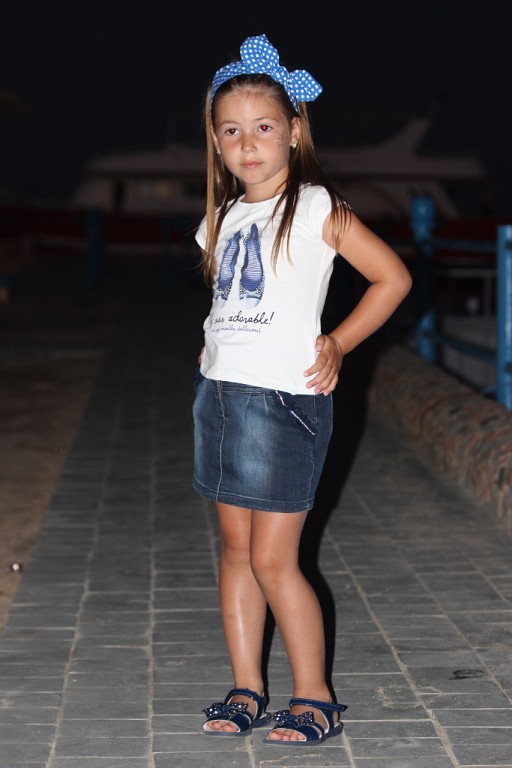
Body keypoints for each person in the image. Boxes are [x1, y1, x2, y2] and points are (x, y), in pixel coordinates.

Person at [192, 33, 412, 746]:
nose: (247, 143)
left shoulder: (314, 204)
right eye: (231, 131)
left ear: (293, 131)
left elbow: (392, 278)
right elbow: (230, 300)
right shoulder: (221, 217)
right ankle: (246, 687)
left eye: (263, 127)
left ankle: (315, 694)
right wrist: (213, 351)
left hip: (283, 403)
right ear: (216, 142)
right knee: (234, 551)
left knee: (272, 558)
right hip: (219, 398)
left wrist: (338, 343)